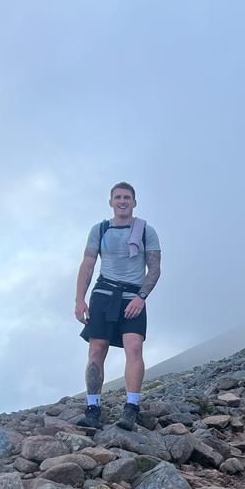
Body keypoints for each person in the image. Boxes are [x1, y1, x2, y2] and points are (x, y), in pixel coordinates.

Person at [75, 181, 162, 430]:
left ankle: (131, 408)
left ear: (134, 202)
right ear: (111, 202)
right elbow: (88, 265)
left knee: (134, 347)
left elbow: (154, 269)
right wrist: (79, 299)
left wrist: (141, 297)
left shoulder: (147, 231)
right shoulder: (100, 229)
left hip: (133, 295)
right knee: (96, 349)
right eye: (118, 197)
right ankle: (92, 408)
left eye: (127, 197)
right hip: (103, 293)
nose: (122, 201)